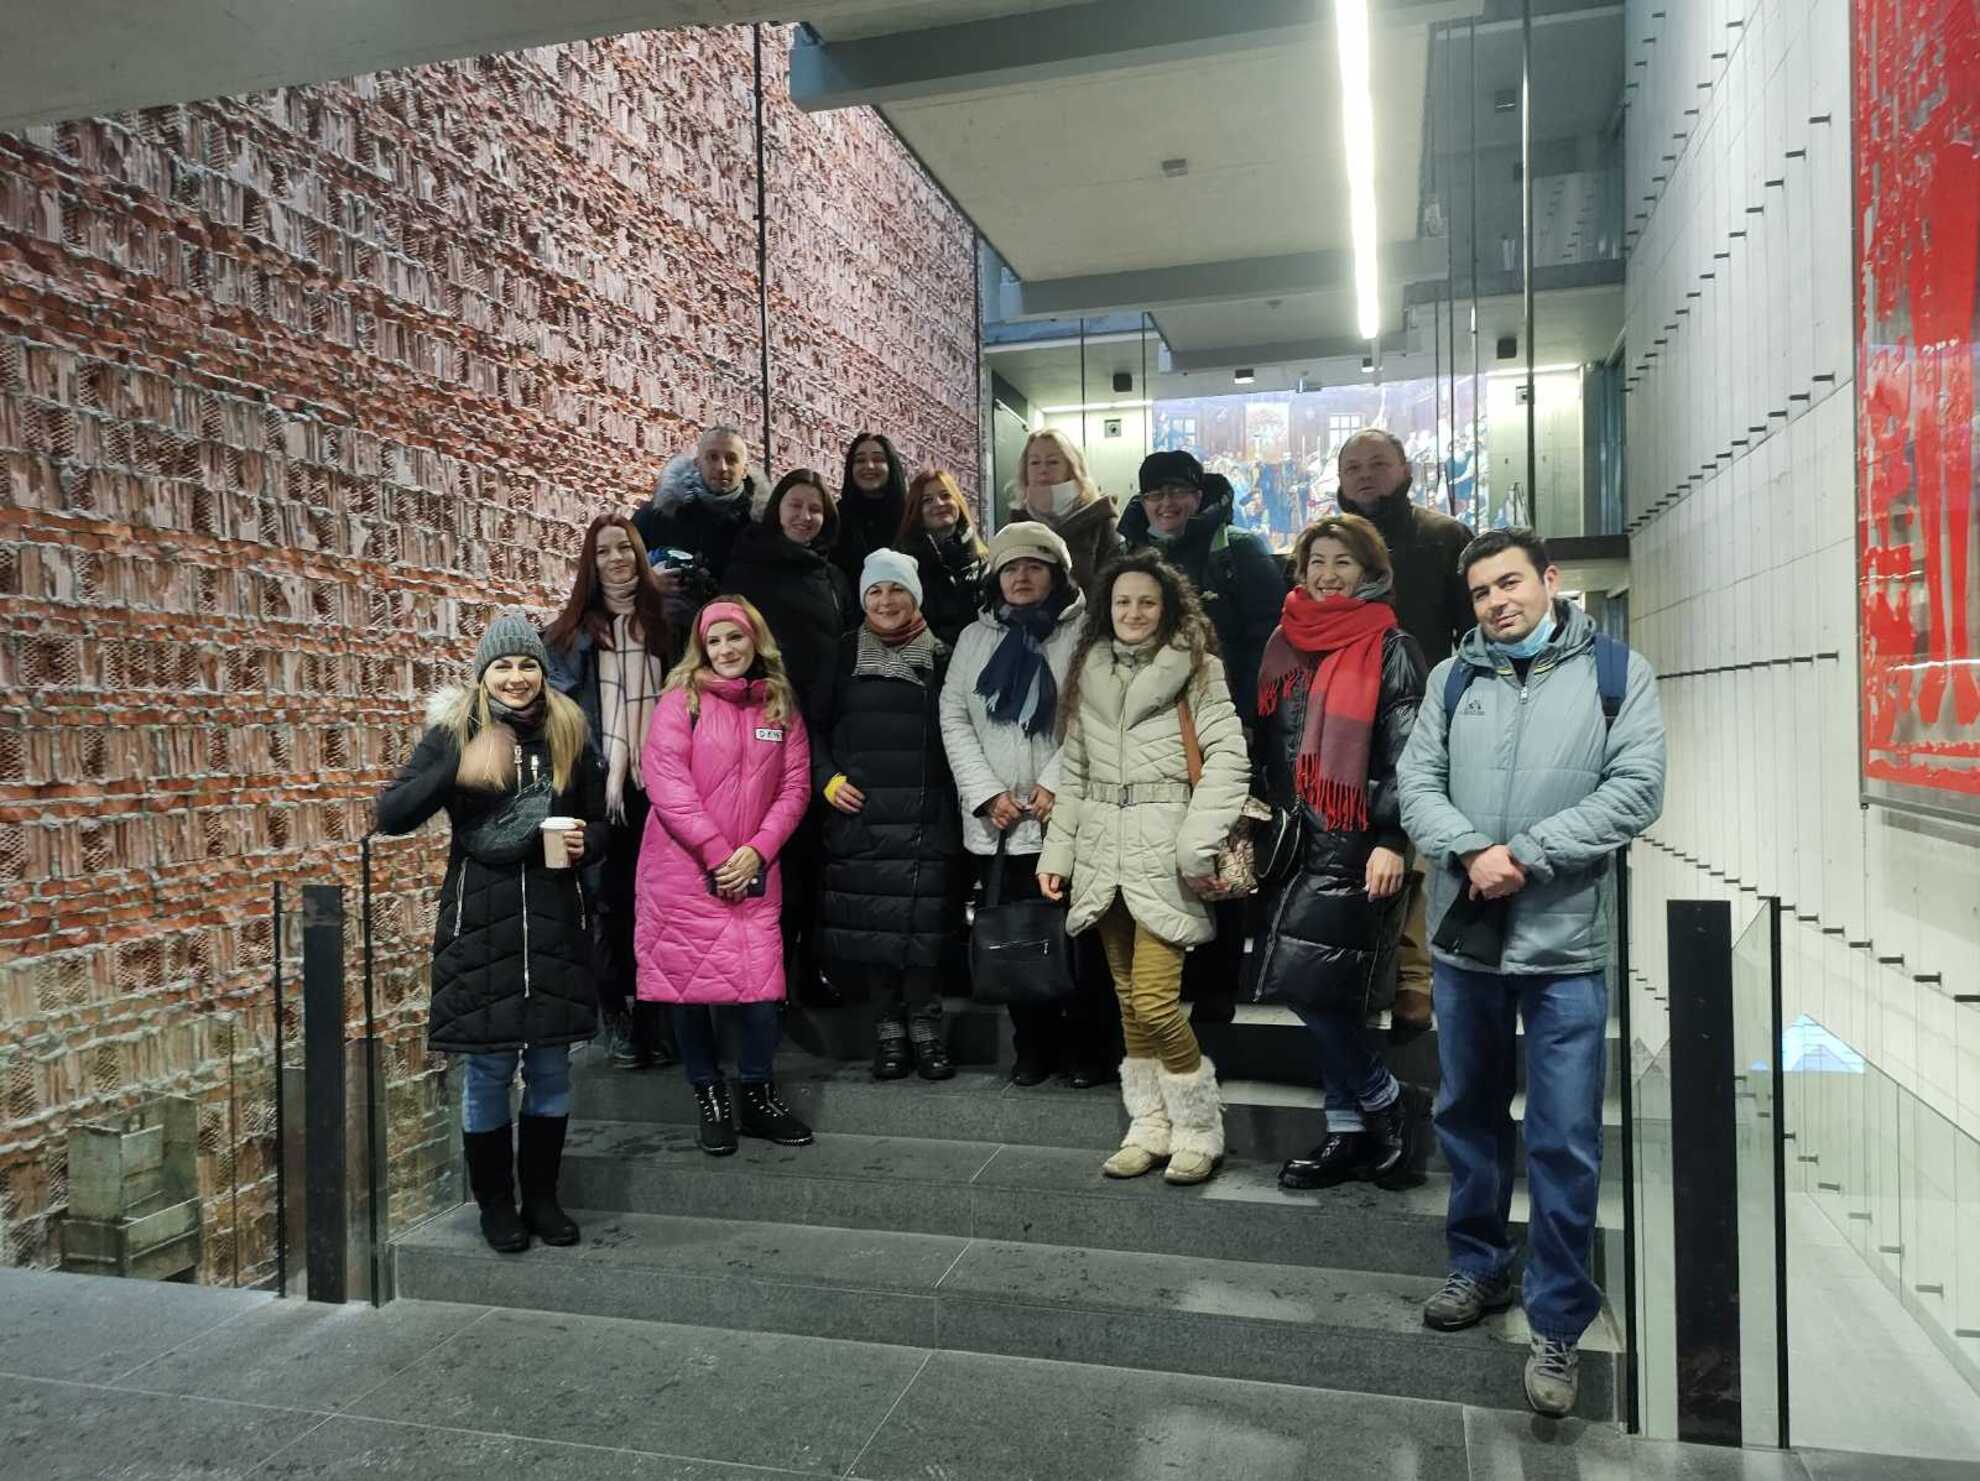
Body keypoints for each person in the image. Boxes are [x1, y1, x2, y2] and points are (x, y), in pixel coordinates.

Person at [1398, 528, 1666, 1418]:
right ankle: (1478, 1265)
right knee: (1467, 1115)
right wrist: (1472, 849)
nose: (1496, 601)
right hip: (1466, 940)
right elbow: (1416, 784)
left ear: (1549, 580)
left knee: (1564, 1137)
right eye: (1481, 591)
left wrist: (1526, 853)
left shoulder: (1617, 674)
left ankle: (1557, 1320)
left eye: (1509, 582)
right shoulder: (1453, 679)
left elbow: (1637, 789)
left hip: (1565, 947)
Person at [375, 611, 603, 1254]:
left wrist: (589, 843)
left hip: (555, 924)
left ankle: (544, 1200)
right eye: (503, 665)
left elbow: (602, 823)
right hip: (479, 927)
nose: (516, 676)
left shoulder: (569, 730)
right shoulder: (453, 733)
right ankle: (497, 1207)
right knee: (488, 1071)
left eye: (527, 664)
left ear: (542, 671)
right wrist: (456, 769)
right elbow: (391, 814)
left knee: (552, 1069)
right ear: (483, 674)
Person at [1038, 553, 1249, 1184]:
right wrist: (1058, 853)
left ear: (1168, 607)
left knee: (1157, 1002)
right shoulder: (1090, 670)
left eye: (1147, 602)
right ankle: (1150, 1124)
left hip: (1164, 849)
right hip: (1102, 850)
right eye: (1123, 602)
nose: (1133, 613)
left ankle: (1199, 1126)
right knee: (1130, 1002)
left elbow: (1228, 759)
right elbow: (1074, 773)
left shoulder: (1198, 668)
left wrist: (1196, 844)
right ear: (1107, 608)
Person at [1252, 515, 1429, 1192]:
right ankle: (1347, 1131)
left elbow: (1408, 754)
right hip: (1295, 841)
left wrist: (1392, 838)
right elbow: (1268, 743)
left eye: (1343, 562)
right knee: (1326, 989)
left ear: (1370, 572)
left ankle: (1385, 1101)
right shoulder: (1283, 641)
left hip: (1358, 842)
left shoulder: (1392, 645)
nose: (1328, 575)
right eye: (1317, 561)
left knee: (1316, 988)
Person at [635, 597, 815, 1155]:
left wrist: (757, 851)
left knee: (761, 991)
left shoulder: (779, 704)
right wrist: (718, 854)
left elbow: (795, 788)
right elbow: (666, 783)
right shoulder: (680, 701)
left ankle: (757, 1095)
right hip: (683, 869)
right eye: (713, 641)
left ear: (754, 640)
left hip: (754, 870)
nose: (725, 649)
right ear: (700, 648)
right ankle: (709, 1096)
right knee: (688, 990)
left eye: (734, 637)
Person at [939, 522, 1115, 1087]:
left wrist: (1057, 781)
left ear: (1056, 574)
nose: (1021, 577)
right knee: (1015, 938)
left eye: (1034, 567)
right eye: (1010, 568)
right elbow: (954, 717)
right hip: (1002, 826)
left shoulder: (1086, 633)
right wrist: (986, 792)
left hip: (1070, 817)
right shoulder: (975, 638)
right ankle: (1033, 1046)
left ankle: (1088, 1047)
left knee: (1080, 939)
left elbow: (1097, 712)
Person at [1118, 448, 1288, 1021]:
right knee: (1164, 851)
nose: (1166, 504)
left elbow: (1269, 641)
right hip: (1152, 734)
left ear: (1199, 494)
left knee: (1221, 845)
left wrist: (1248, 719)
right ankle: (1174, 977)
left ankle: (1218, 987)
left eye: (1177, 492)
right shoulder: (1130, 554)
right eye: (1155, 494)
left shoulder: (1238, 550)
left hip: (1223, 725)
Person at [1337, 428, 1476, 1038]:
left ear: (1406, 471)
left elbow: (1471, 636)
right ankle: (1363, 978)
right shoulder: (1329, 543)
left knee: (1410, 851)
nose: (1366, 475)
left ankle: (1415, 981)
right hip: (1344, 719)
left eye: (1379, 463)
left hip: (1422, 716)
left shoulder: (1445, 537)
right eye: (1353, 466)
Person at [810, 551, 966, 1080]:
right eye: (875, 591)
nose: (885, 601)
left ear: (915, 595)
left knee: (924, 930)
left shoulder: (944, 657)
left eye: (896, 589)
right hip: (863, 818)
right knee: (873, 927)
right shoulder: (842, 654)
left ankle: (926, 1029)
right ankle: (889, 1031)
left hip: (927, 818)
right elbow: (810, 729)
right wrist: (827, 779)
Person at [541, 514, 679, 1073]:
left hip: (662, 786)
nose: (617, 559)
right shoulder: (568, 636)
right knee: (607, 906)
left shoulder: (670, 623)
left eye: (625, 548)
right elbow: (558, 720)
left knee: (663, 904)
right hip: (602, 793)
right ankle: (617, 1015)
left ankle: (656, 1016)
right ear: (589, 564)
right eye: (603, 551)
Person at [724, 469, 855, 1009]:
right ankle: (764, 973)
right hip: (766, 729)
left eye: (815, 508)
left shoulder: (835, 577)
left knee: (815, 859)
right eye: (796, 505)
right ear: (777, 508)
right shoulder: (748, 568)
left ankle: (809, 968)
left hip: (823, 730)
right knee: (772, 855)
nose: (805, 516)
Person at [633, 425, 757, 625]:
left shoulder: (761, 527)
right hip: (665, 634)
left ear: (745, 470)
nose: (722, 467)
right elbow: (615, 570)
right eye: (712, 457)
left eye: (731, 459)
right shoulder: (658, 514)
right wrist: (649, 581)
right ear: (697, 463)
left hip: (733, 637)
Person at [1006, 429, 1120, 603]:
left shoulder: (1100, 518)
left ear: (1071, 468)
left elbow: (1115, 587)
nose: (1043, 470)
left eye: (1052, 462)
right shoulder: (1017, 523)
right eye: (1034, 462)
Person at [897, 468, 987, 647]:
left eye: (946, 496)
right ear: (916, 510)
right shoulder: (902, 565)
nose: (939, 504)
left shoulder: (984, 562)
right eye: (927, 500)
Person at [834, 432, 909, 585]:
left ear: (891, 466)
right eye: (860, 460)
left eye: (878, 459)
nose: (869, 466)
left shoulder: (910, 516)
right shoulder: (836, 517)